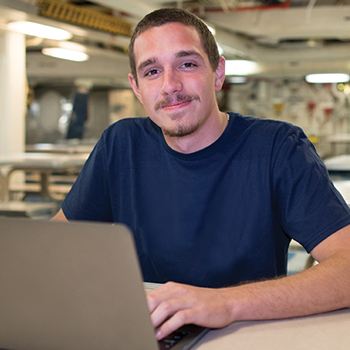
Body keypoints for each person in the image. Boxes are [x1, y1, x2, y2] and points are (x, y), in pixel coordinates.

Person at [53, 8, 350, 341]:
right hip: (144, 333)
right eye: (152, 71)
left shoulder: (277, 148)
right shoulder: (121, 145)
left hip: (245, 335)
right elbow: (53, 251)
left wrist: (223, 303)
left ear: (218, 73)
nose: (171, 86)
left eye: (187, 64)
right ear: (136, 88)